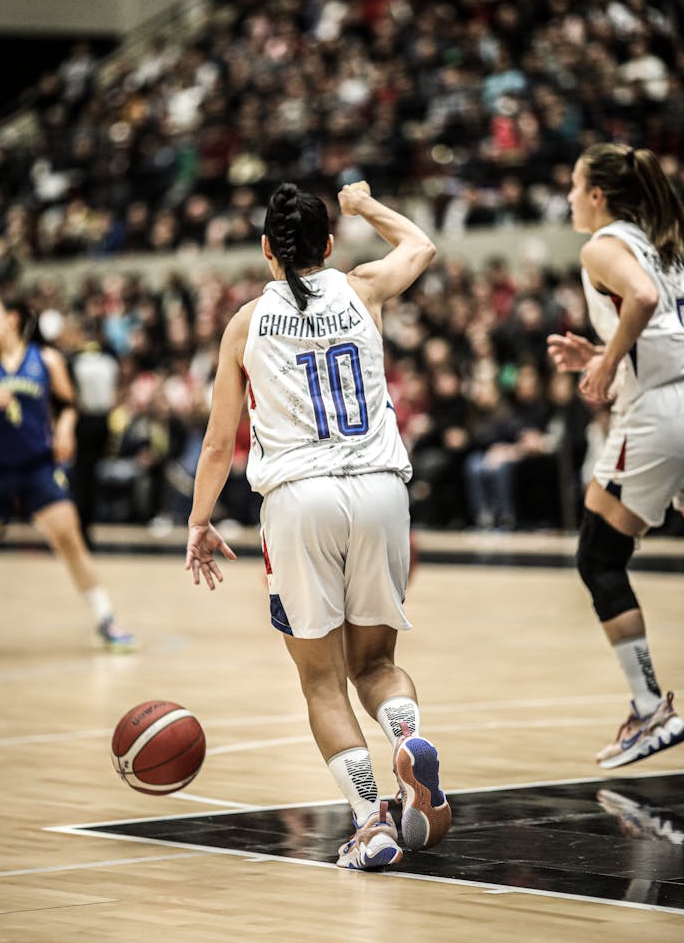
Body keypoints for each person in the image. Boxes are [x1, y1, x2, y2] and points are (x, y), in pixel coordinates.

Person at [184, 180, 451, 870]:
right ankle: (409, 738)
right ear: (329, 245)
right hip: (381, 491)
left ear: (267, 249)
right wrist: (365, 206)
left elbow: (219, 443)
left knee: (323, 682)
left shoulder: (245, 322)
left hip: (301, 502)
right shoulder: (362, 287)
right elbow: (421, 245)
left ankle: (372, 819)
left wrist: (200, 520)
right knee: (377, 664)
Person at [547, 143, 684, 769]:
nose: (571, 197)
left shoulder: (604, 245)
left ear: (599, 194)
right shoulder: (663, 245)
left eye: (576, 186)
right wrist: (604, 354)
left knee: (599, 556)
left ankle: (649, 707)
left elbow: (643, 301)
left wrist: (607, 363)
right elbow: (662, 329)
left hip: (663, 416)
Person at [0, 292, 135, 653]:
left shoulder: (45, 359)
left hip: (38, 468)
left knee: (70, 540)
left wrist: (64, 428)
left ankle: (106, 619)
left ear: (12, 318)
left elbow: (67, 405)